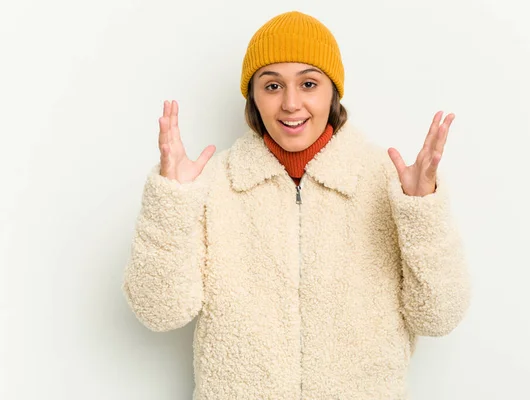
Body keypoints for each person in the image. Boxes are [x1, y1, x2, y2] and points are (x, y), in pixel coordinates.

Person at [122, 10, 471, 399]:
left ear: (332, 92)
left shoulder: (388, 182)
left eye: (308, 83)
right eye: (272, 86)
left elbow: (440, 315)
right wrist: (172, 203)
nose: (291, 104)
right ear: (253, 96)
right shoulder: (213, 184)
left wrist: (422, 212)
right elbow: (158, 311)